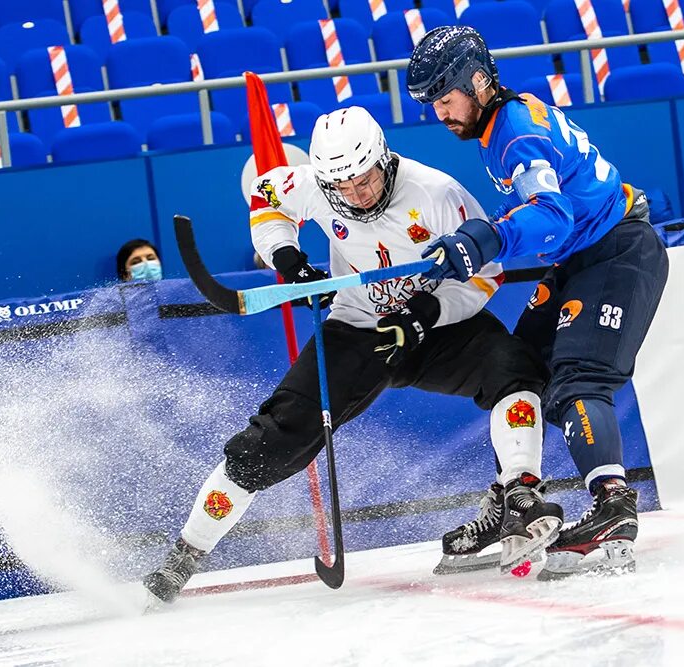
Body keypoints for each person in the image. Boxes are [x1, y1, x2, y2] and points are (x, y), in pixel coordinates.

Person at [143, 106, 562, 604]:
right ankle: (185, 554)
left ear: (384, 159)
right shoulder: (317, 185)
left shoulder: (437, 193)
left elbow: (485, 272)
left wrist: (424, 313)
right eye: (343, 187)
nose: (356, 195)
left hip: (440, 323)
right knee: (267, 444)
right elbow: (265, 196)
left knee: (515, 369)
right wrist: (289, 258)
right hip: (358, 328)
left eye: (364, 180)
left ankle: (519, 493)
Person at [407, 26, 670, 578]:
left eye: (445, 99)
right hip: (582, 258)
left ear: (478, 83)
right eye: (432, 104)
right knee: (515, 372)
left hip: (616, 250)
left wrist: (484, 239)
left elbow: (553, 216)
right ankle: (513, 497)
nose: (440, 113)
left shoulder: (514, 132)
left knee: (578, 380)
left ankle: (613, 504)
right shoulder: (505, 121)